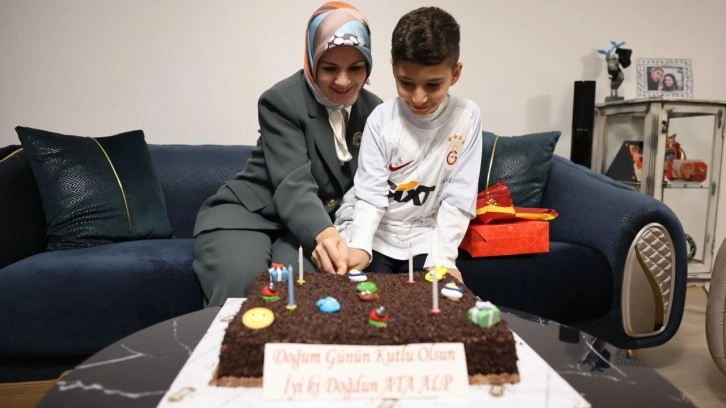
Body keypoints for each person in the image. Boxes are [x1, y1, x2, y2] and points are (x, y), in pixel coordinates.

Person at [193, 2, 382, 307]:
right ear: (312, 60)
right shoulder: (281, 100)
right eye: (330, 68)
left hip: (306, 230)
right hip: (251, 216)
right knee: (243, 285)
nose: (344, 81)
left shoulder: (376, 111)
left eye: (355, 68)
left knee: (303, 292)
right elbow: (293, 181)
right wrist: (325, 233)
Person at [335, 6, 482, 281]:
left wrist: (444, 258)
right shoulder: (380, 119)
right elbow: (370, 193)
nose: (418, 98)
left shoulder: (467, 117)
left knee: (436, 299)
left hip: (426, 240)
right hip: (378, 237)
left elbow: (459, 197)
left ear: (455, 74)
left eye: (433, 85)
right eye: (406, 83)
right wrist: (360, 246)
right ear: (393, 68)